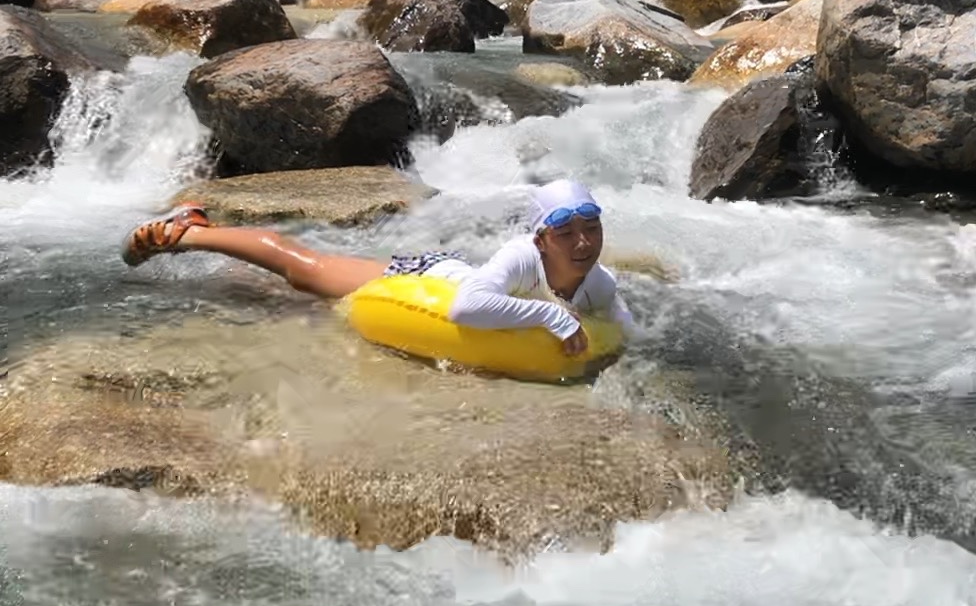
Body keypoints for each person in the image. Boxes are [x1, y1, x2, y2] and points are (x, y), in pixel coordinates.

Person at [121, 179, 631, 356]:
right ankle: (191, 231)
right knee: (306, 269)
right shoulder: (522, 256)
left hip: (449, 270)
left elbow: (631, 336)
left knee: (303, 286)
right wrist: (555, 318)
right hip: (428, 274)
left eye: (592, 229)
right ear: (542, 238)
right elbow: (468, 305)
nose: (583, 243)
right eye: (566, 233)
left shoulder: (599, 282)